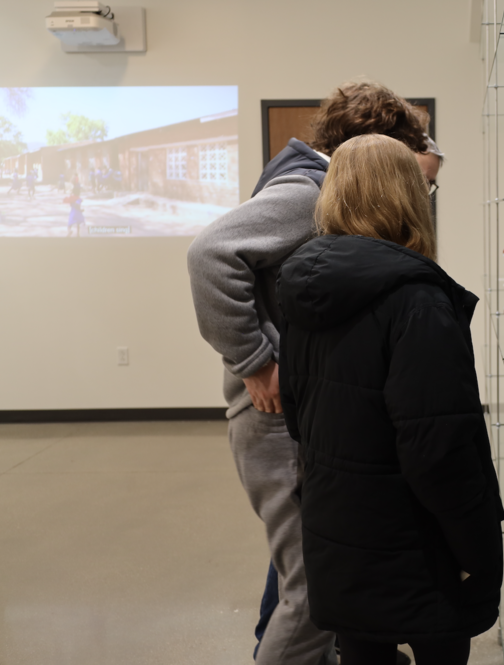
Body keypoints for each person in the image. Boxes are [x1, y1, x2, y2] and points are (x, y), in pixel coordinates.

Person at [187, 81, 433, 665]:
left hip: (292, 413)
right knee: (312, 591)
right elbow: (209, 256)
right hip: (274, 415)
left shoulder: (305, 184)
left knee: (307, 575)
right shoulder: (306, 191)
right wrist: (257, 362)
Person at [277, 134, 504, 665]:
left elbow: (296, 415)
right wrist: (476, 550)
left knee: (362, 650)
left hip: (338, 531)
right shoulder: (419, 301)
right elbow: (439, 449)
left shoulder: (300, 290)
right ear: (408, 196)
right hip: (417, 543)